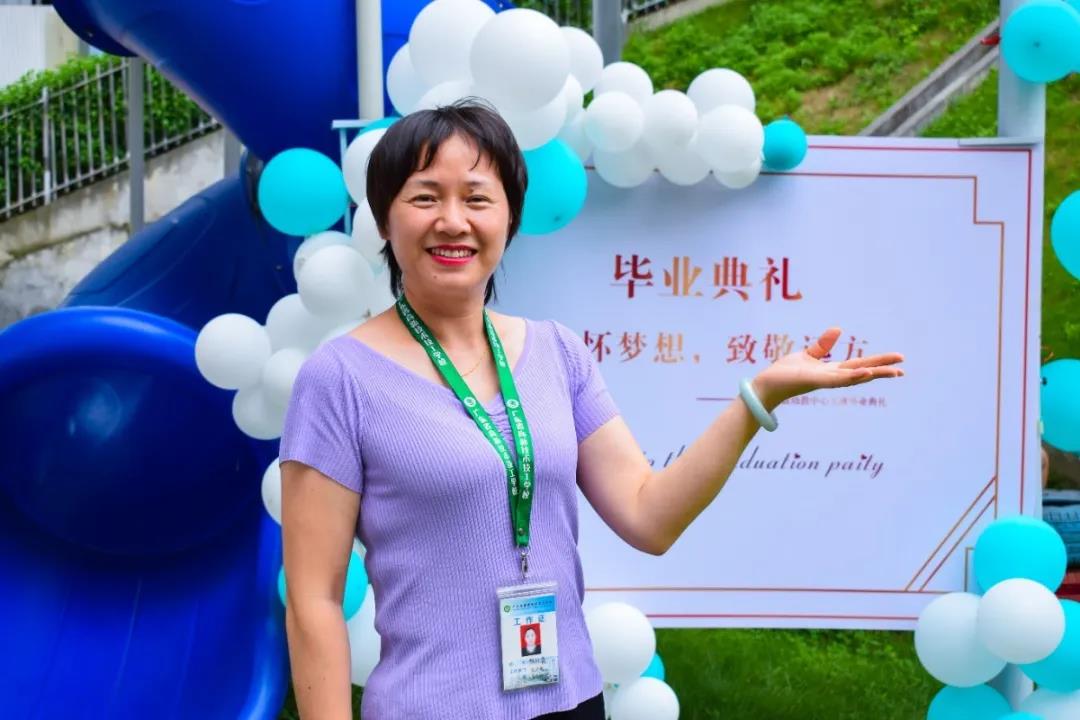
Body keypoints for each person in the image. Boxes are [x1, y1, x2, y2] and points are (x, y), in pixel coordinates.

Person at [277, 100, 905, 720]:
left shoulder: (557, 353)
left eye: (476, 197)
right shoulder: (340, 379)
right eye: (424, 197)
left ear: (509, 217)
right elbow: (314, 601)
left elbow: (649, 516)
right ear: (385, 219)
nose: (452, 220)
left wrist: (756, 399)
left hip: (571, 700)